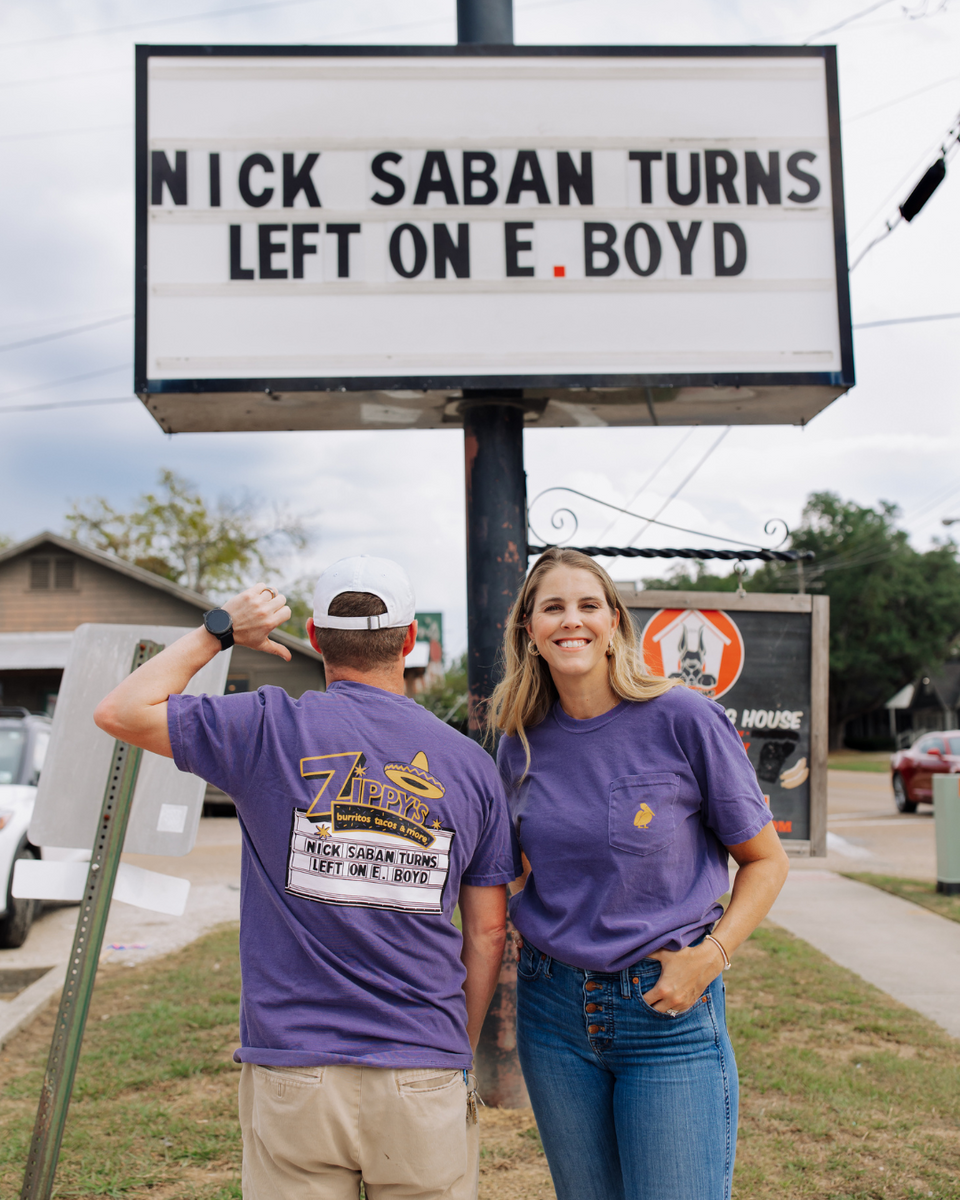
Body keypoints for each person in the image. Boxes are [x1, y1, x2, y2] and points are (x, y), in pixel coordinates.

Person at [95, 555, 518, 1200]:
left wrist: (219, 629)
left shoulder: (266, 728)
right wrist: (449, 1048)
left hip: (295, 1072)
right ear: (409, 641)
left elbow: (122, 710)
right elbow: (488, 934)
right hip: (422, 1066)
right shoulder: (469, 764)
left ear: (316, 639)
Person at [489, 548, 789, 1200]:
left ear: (614, 622)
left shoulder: (683, 720)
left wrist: (712, 956)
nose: (572, 621)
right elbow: (514, 864)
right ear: (531, 633)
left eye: (588, 605)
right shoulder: (519, 739)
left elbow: (766, 860)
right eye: (553, 608)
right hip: (553, 1018)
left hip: (666, 1014)